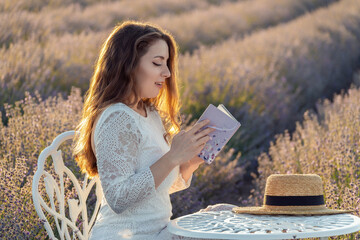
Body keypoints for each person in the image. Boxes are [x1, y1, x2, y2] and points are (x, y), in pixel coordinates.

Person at [73, 21, 235, 240]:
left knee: (226, 215)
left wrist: (189, 162)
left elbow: (156, 190)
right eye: (157, 63)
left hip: (159, 232)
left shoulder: (149, 112)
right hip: (127, 236)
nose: (167, 73)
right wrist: (172, 157)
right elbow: (119, 198)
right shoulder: (117, 118)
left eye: (167, 63)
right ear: (128, 65)